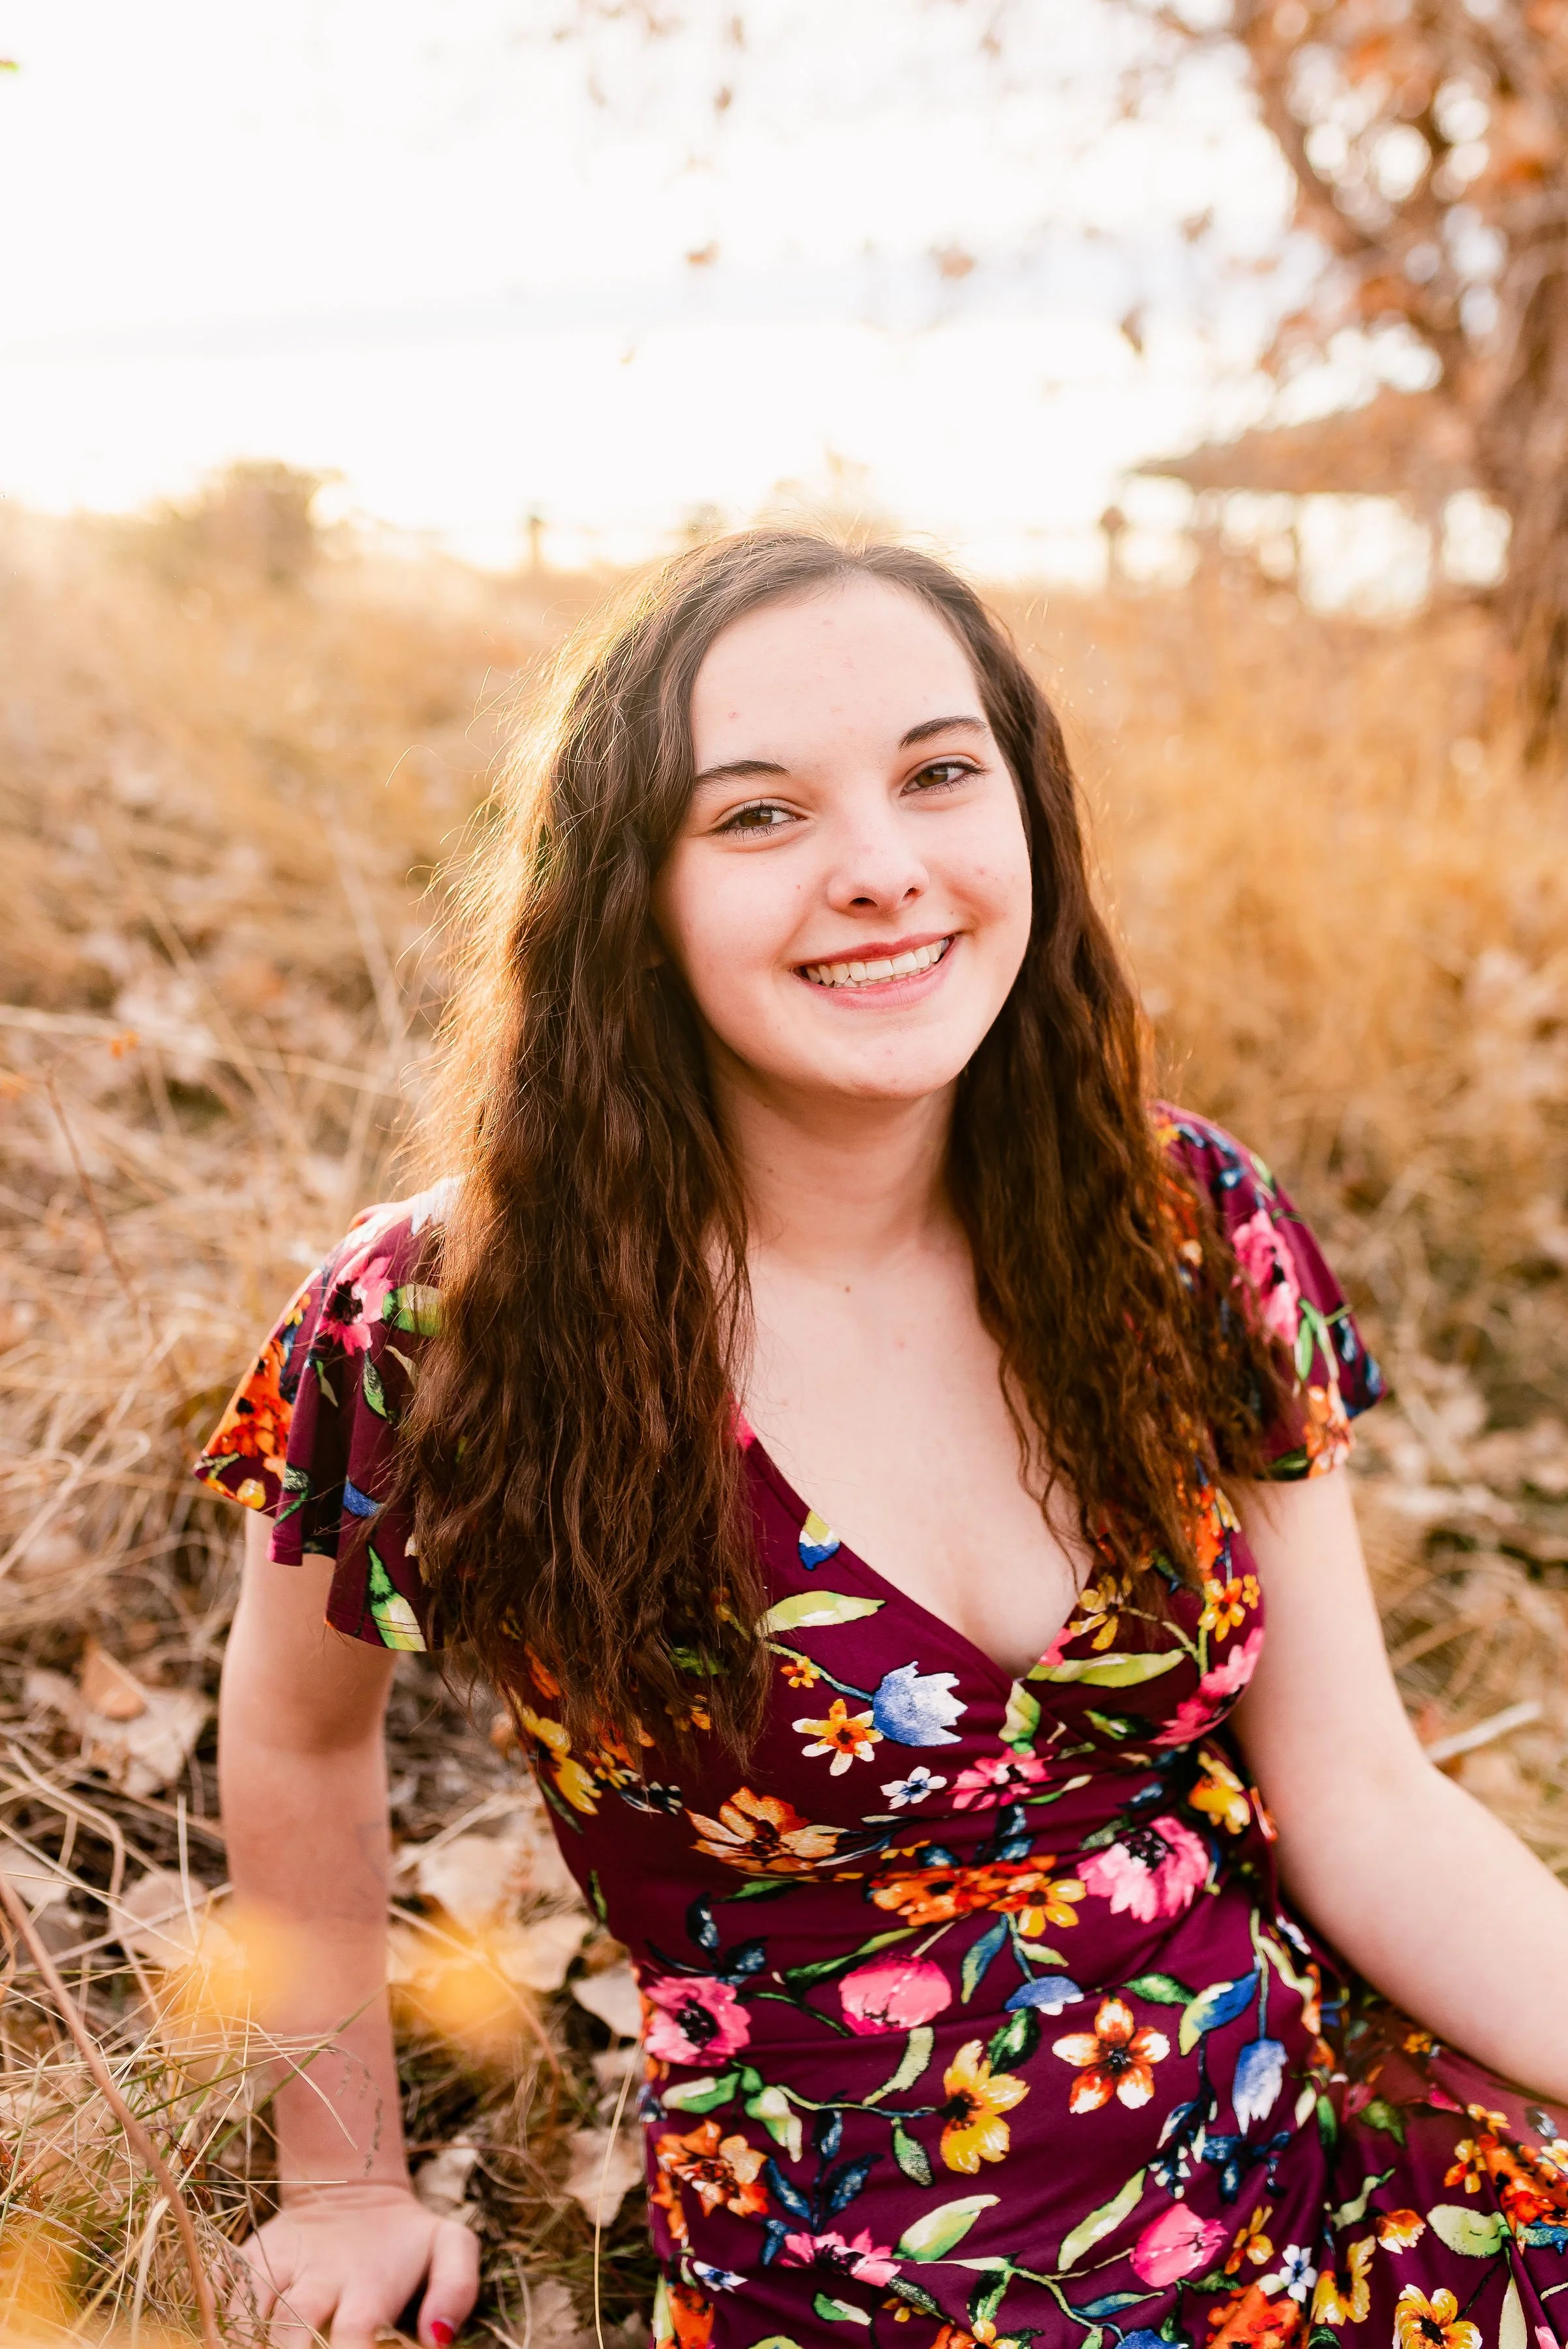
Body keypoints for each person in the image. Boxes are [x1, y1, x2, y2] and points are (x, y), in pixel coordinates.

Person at [200, 532, 1568, 2349]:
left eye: (940, 775)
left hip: (1321, 2153)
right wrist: (345, 2178)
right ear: (631, 897)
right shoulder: (449, 1327)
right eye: (758, 816)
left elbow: (1364, 1799)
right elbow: (299, 1737)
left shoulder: (1176, 1227)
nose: (880, 871)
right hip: (874, 2272)